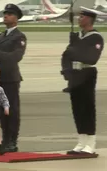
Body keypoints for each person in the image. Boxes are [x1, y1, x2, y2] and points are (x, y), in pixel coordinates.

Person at [61, 8, 104, 156]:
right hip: (75, 74)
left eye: (82, 16)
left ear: (89, 19)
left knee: (87, 108)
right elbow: (65, 56)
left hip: (87, 73)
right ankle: (81, 142)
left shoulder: (96, 38)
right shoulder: (77, 36)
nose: (79, 19)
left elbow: (91, 58)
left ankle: (90, 143)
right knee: (77, 109)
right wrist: (66, 72)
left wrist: (75, 49)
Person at [0, 4, 27, 153]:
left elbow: (15, 57)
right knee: (2, 112)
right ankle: (5, 140)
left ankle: (12, 142)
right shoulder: (1, 36)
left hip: (10, 79)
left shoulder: (19, 37)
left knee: (12, 111)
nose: (5, 16)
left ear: (16, 18)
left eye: (9, 14)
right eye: (5, 13)